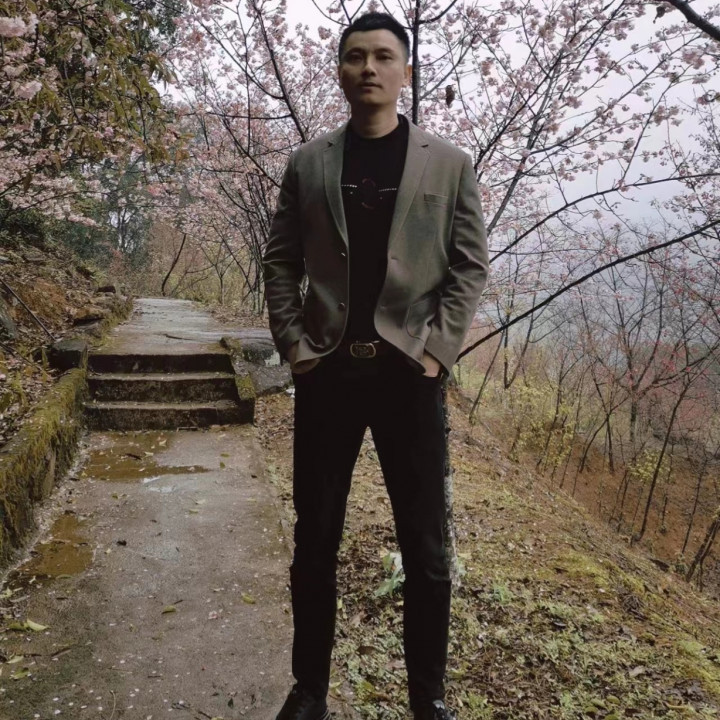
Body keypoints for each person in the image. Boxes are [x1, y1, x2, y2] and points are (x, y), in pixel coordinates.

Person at [263, 11, 489, 720]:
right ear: (339, 70)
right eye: (355, 56)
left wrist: (437, 352)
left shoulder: (448, 164)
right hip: (327, 372)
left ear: (405, 72)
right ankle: (309, 691)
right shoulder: (309, 163)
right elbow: (280, 260)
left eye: (384, 56)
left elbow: (469, 266)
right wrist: (295, 346)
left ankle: (429, 698)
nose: (369, 68)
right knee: (315, 539)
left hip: (407, 376)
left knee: (426, 547)